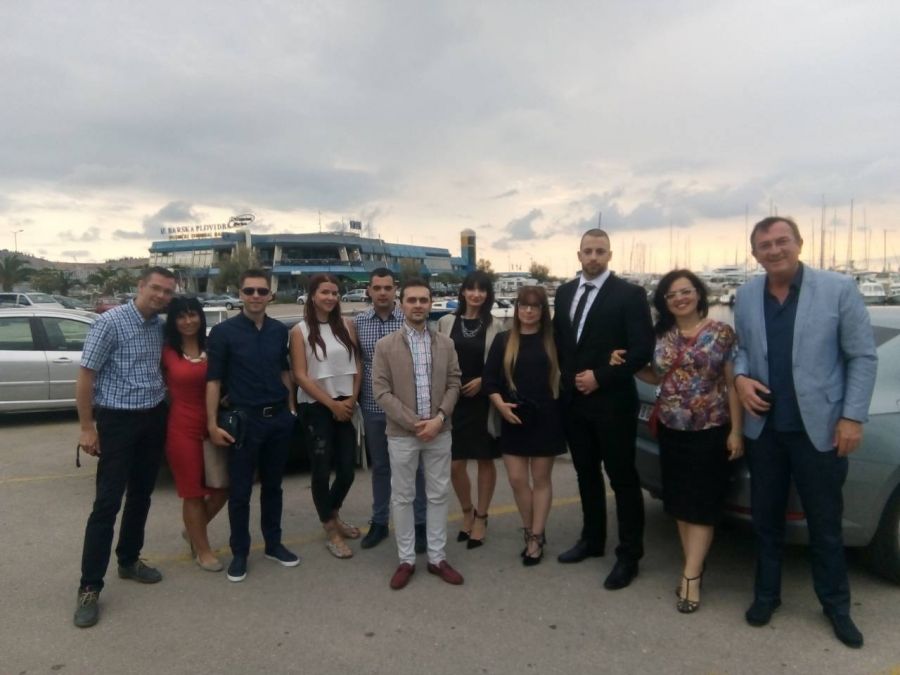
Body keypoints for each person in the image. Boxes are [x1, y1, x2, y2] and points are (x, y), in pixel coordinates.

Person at [733, 217, 877, 648]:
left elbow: (862, 357)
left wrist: (852, 417)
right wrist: (740, 379)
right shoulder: (746, 294)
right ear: (755, 254)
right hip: (765, 431)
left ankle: (836, 606)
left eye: (782, 241)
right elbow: (743, 349)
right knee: (766, 520)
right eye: (765, 245)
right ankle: (766, 595)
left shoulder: (838, 289)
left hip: (821, 430)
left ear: (799, 243)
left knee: (825, 524)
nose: (774, 250)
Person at [610, 270, 743, 612]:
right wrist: (628, 365)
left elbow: (732, 385)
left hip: (709, 429)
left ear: (698, 294)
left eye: (685, 291)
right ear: (664, 302)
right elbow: (657, 376)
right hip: (670, 428)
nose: (680, 298)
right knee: (680, 503)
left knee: (701, 505)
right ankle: (693, 565)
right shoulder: (661, 336)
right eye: (671, 295)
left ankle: (691, 576)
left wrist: (736, 431)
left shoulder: (721, 333)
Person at [72, 266, 176, 628]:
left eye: (168, 291)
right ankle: (89, 586)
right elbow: (86, 375)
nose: (161, 296)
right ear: (140, 286)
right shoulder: (110, 323)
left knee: (142, 495)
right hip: (117, 421)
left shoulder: (159, 326)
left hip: (153, 417)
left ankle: (129, 559)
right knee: (106, 503)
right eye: (156, 288)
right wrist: (87, 428)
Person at [553, 228, 654, 590]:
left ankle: (629, 555)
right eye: (588, 251)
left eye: (600, 251)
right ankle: (592, 539)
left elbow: (642, 350)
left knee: (622, 479)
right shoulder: (564, 293)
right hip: (574, 404)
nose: (593, 257)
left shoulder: (630, 295)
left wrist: (600, 376)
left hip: (613, 404)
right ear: (578, 255)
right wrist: (568, 380)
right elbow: (562, 345)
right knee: (586, 474)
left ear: (609, 255)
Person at [206, 269, 300, 583]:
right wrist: (211, 423)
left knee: (273, 487)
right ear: (240, 294)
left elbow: (284, 371)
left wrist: (291, 408)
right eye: (250, 291)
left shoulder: (278, 331)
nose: (256, 296)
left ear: (270, 295)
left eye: (261, 291)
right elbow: (213, 381)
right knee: (240, 492)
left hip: (278, 420)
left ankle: (273, 544)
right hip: (245, 422)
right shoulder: (223, 333)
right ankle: (240, 553)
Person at [372, 278, 463, 589]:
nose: (418, 305)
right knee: (403, 496)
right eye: (412, 300)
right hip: (402, 434)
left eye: (424, 300)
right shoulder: (385, 346)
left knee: (438, 495)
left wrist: (439, 419)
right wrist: (414, 423)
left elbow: (454, 383)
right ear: (401, 305)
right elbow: (381, 391)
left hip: (440, 431)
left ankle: (437, 558)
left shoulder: (446, 344)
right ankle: (406, 560)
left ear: (430, 303)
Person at [483, 286, 565, 565]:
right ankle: (529, 529)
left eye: (535, 306)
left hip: (546, 419)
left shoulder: (554, 341)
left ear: (543, 311)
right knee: (517, 480)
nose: (528, 311)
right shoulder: (504, 340)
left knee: (541, 480)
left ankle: (536, 537)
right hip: (513, 417)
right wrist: (500, 406)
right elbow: (489, 380)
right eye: (524, 305)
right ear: (517, 308)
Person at [354, 268, 427, 552]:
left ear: (395, 290)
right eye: (377, 288)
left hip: (409, 409)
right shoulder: (359, 323)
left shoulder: (409, 318)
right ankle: (380, 521)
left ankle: (420, 524)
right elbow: (358, 363)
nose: (382, 292)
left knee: (415, 468)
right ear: (369, 291)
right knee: (381, 468)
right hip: (374, 407)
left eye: (387, 287)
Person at [291, 274, 362, 559]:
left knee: (347, 470)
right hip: (317, 407)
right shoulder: (299, 331)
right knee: (321, 470)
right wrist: (331, 405)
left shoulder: (347, 325)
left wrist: (351, 399)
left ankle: (331, 513)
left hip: (346, 403)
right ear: (312, 295)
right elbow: (299, 375)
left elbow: (357, 364)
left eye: (334, 293)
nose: (331, 297)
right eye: (325, 292)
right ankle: (331, 529)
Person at [162, 296, 228, 572]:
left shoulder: (213, 346)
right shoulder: (166, 351)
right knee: (192, 492)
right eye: (181, 316)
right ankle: (203, 550)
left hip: (215, 425)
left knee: (222, 488)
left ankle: (192, 530)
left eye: (192, 315)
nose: (188, 321)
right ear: (173, 321)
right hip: (182, 428)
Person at [436, 270, 502, 548]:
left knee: (485, 460)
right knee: (455, 464)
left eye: (482, 290)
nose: (476, 294)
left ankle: (482, 517)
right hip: (454, 401)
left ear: (488, 294)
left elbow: (503, 362)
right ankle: (467, 511)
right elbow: (438, 361)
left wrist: (484, 381)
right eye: (471, 289)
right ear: (463, 291)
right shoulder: (445, 322)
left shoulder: (496, 325)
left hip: (484, 402)